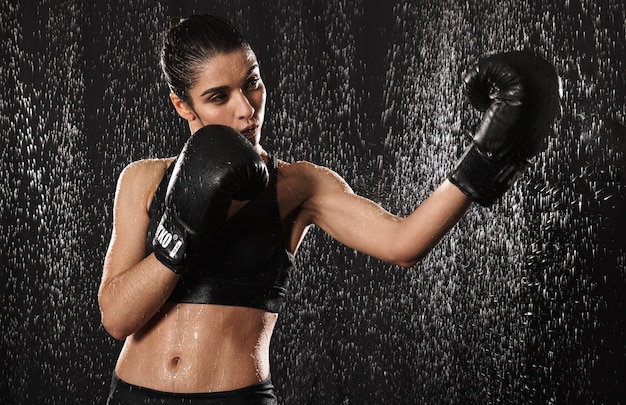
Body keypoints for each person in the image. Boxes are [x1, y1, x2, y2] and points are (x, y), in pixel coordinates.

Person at [98, 14, 560, 404]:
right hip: (133, 393)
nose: (247, 110)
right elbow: (117, 319)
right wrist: (180, 230)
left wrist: (488, 158)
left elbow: (404, 242)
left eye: (253, 83)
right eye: (219, 97)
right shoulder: (143, 179)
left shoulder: (298, 185)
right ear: (183, 105)